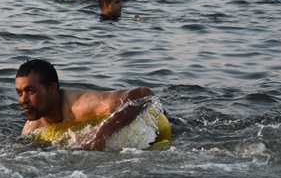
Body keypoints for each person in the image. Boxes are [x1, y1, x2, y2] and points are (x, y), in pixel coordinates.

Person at [16, 58, 169, 150]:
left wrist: (98, 138)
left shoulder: (80, 105)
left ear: (53, 89)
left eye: (30, 91)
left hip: (154, 124)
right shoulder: (32, 129)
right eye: (20, 93)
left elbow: (143, 95)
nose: (23, 99)